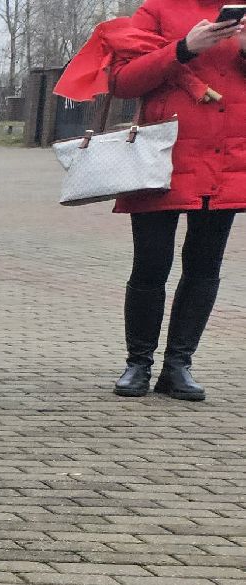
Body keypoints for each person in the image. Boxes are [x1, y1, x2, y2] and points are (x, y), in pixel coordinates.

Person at [103, 2, 246, 400]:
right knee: (151, 264)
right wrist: (184, 47)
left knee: (204, 266)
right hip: (160, 157)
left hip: (226, 158)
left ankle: (178, 365)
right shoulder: (157, 10)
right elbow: (122, 81)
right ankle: (138, 363)